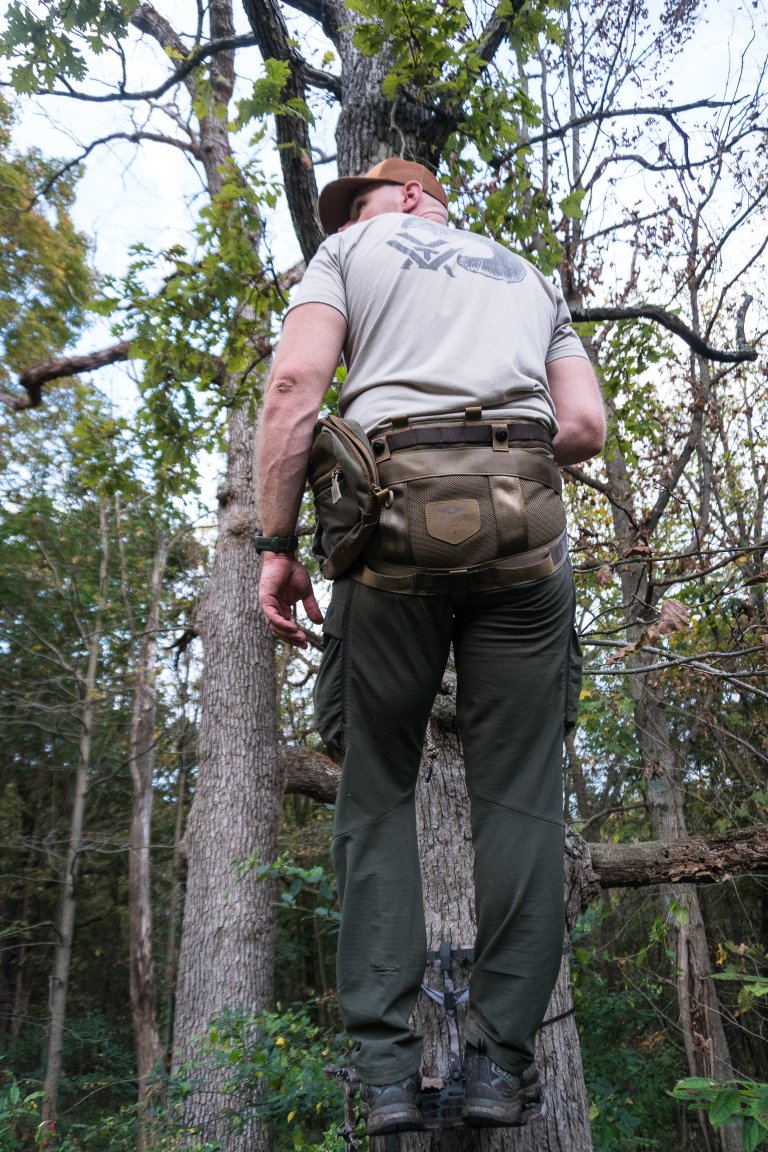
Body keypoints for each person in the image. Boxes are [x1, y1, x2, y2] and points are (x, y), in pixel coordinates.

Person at [256, 157, 605, 1134]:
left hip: (392, 537)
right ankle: (500, 1066)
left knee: (375, 789)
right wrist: (498, 465)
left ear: (410, 196)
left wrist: (277, 546)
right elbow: (583, 425)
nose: (350, 219)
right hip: (525, 541)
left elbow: (294, 386)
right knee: (523, 797)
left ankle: (383, 1075)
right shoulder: (530, 277)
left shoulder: (346, 254)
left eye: (360, 201)